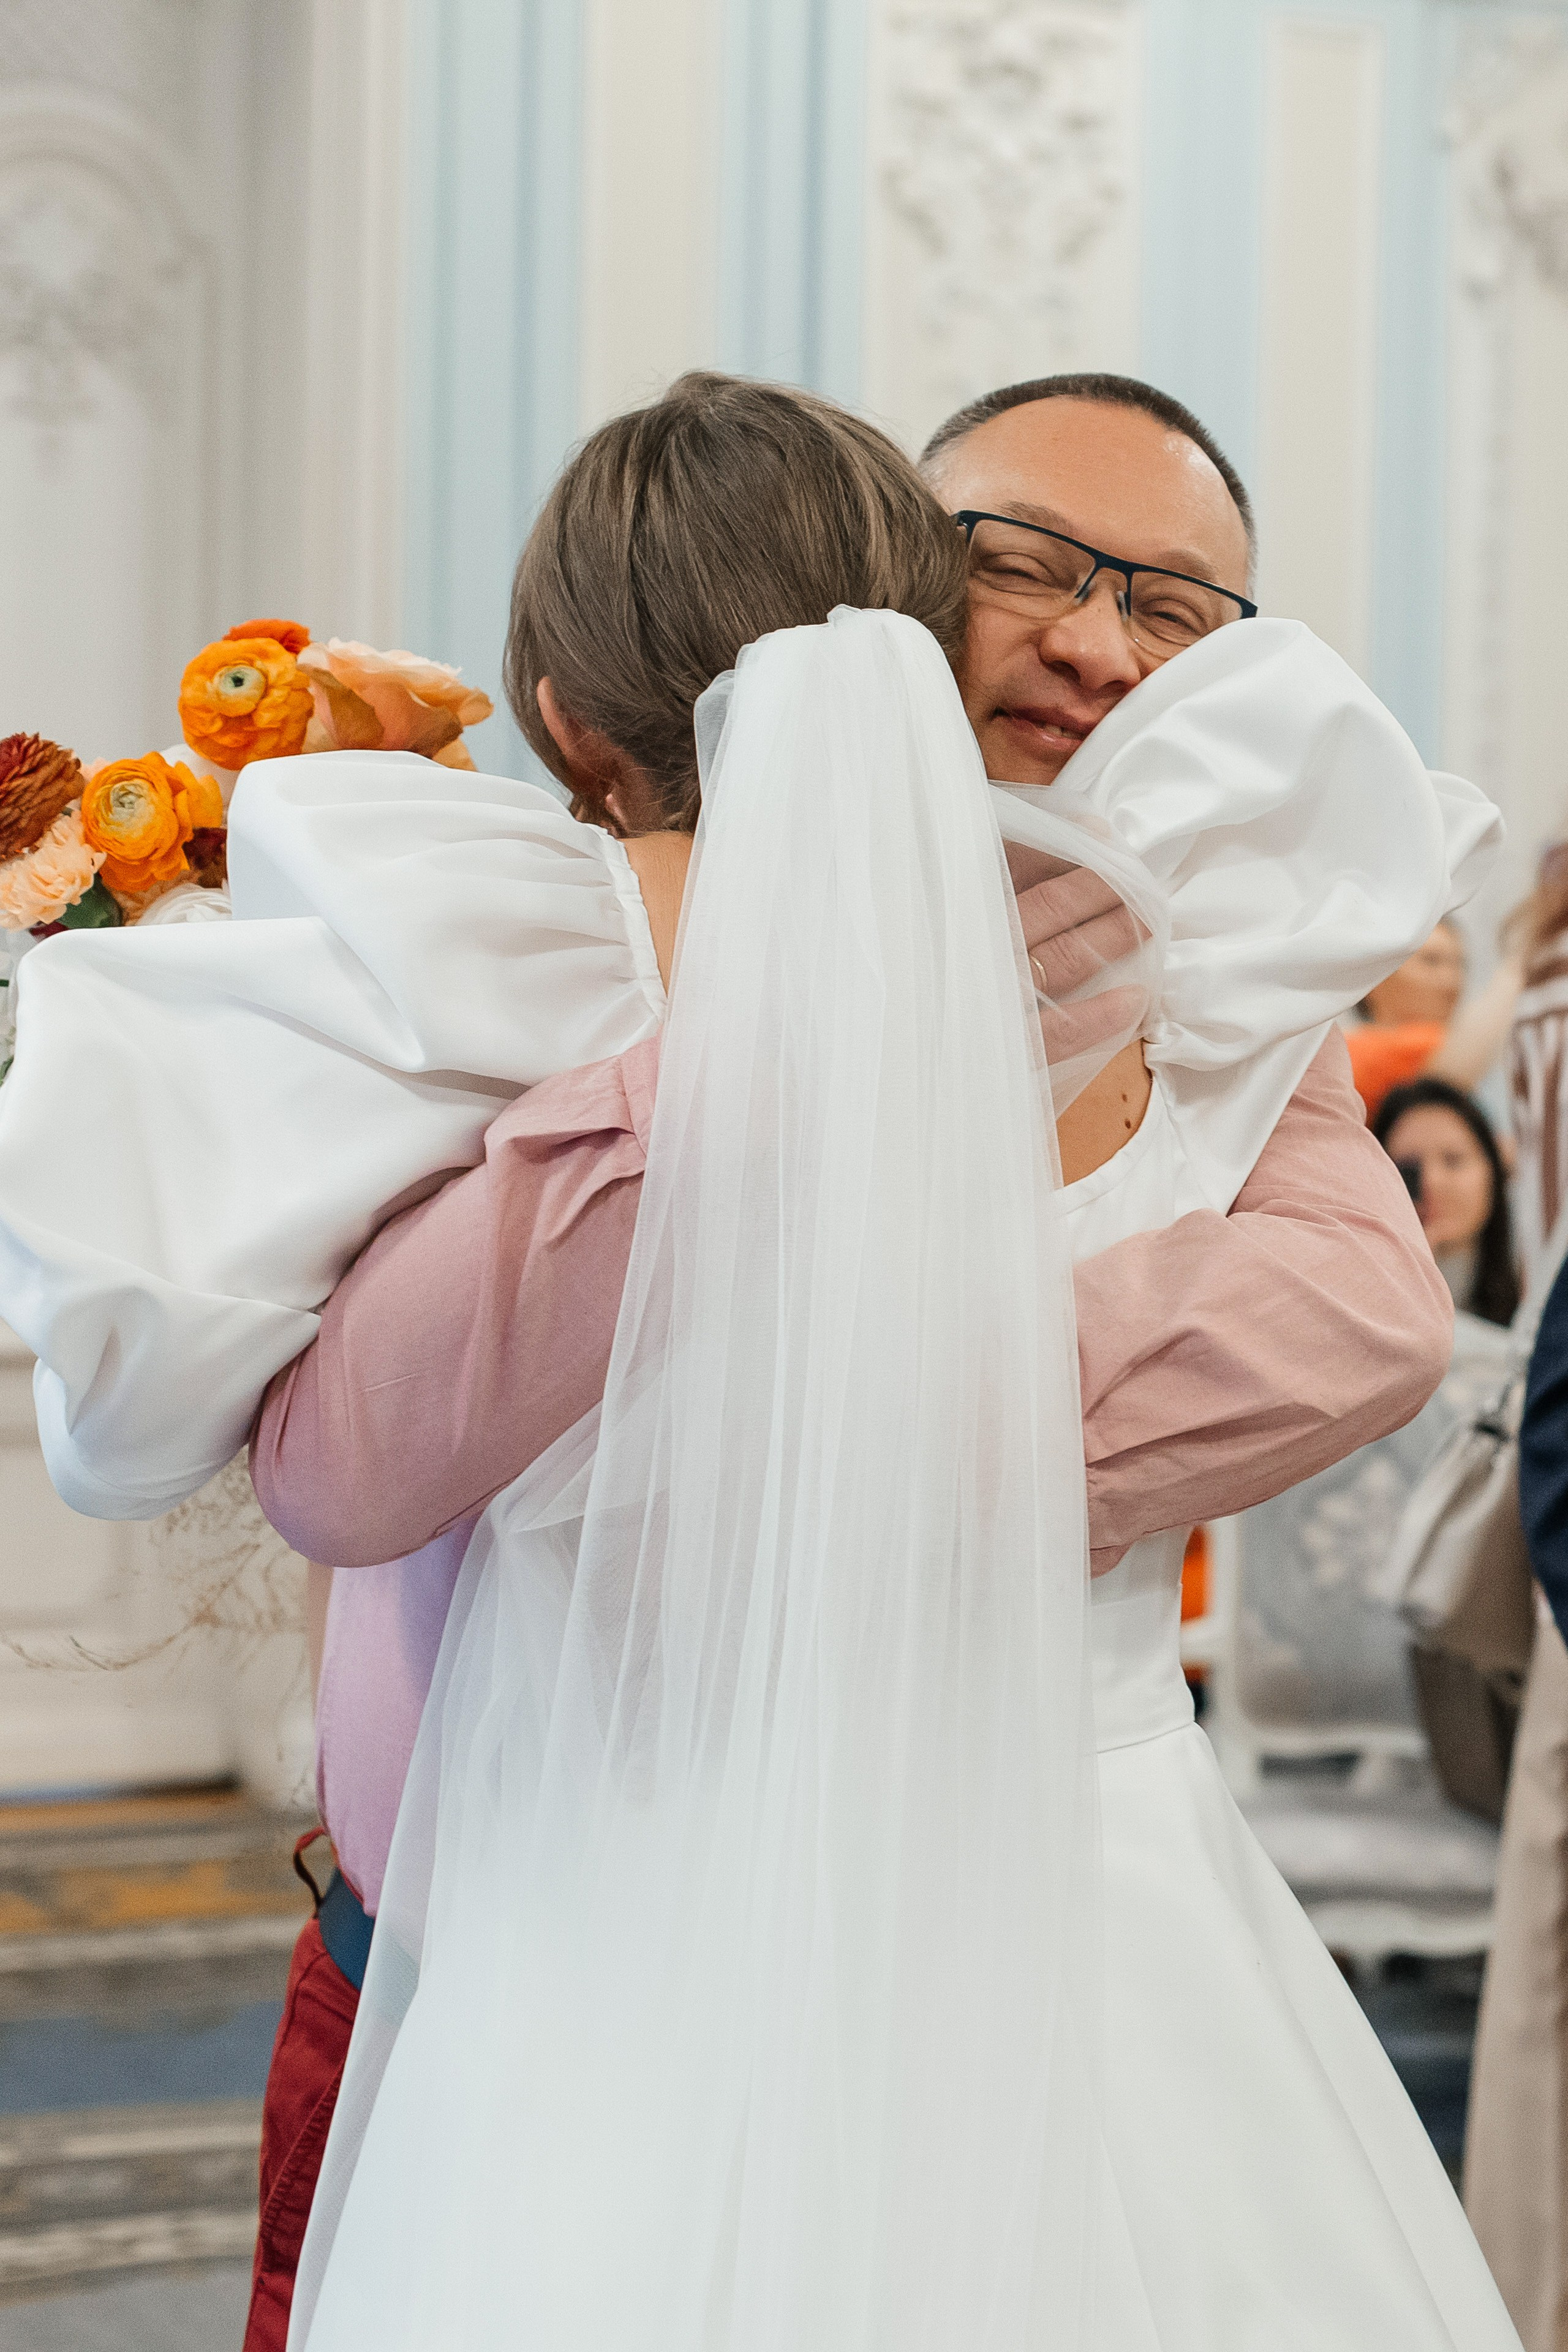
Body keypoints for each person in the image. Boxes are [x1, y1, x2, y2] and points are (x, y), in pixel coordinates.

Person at [242, 377, 1512, 2348]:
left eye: (1173, 609)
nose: (1097, 640)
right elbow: (350, 1446)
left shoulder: (1219, 971)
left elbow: (1357, 1310)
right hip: (523, 1907)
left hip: (1064, 1896)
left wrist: (795, 1404)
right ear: (886, 590)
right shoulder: (568, 933)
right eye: (1028, 566)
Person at [1374, 1074, 1520, 1325]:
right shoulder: (1355, 1294)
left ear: (1494, 1171)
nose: (1432, 1181)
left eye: (1453, 1160)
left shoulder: (1536, 1282)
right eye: (1408, 1168)